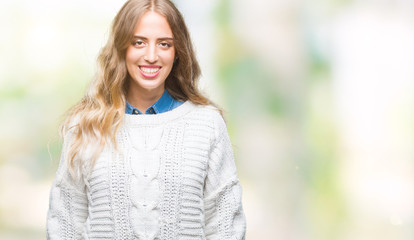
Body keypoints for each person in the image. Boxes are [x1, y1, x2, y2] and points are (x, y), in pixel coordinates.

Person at [46, 0, 246, 239]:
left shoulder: (207, 125)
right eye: (138, 42)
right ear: (122, 48)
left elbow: (225, 225)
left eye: (164, 44)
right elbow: (65, 224)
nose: (151, 56)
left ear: (177, 52)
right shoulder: (85, 125)